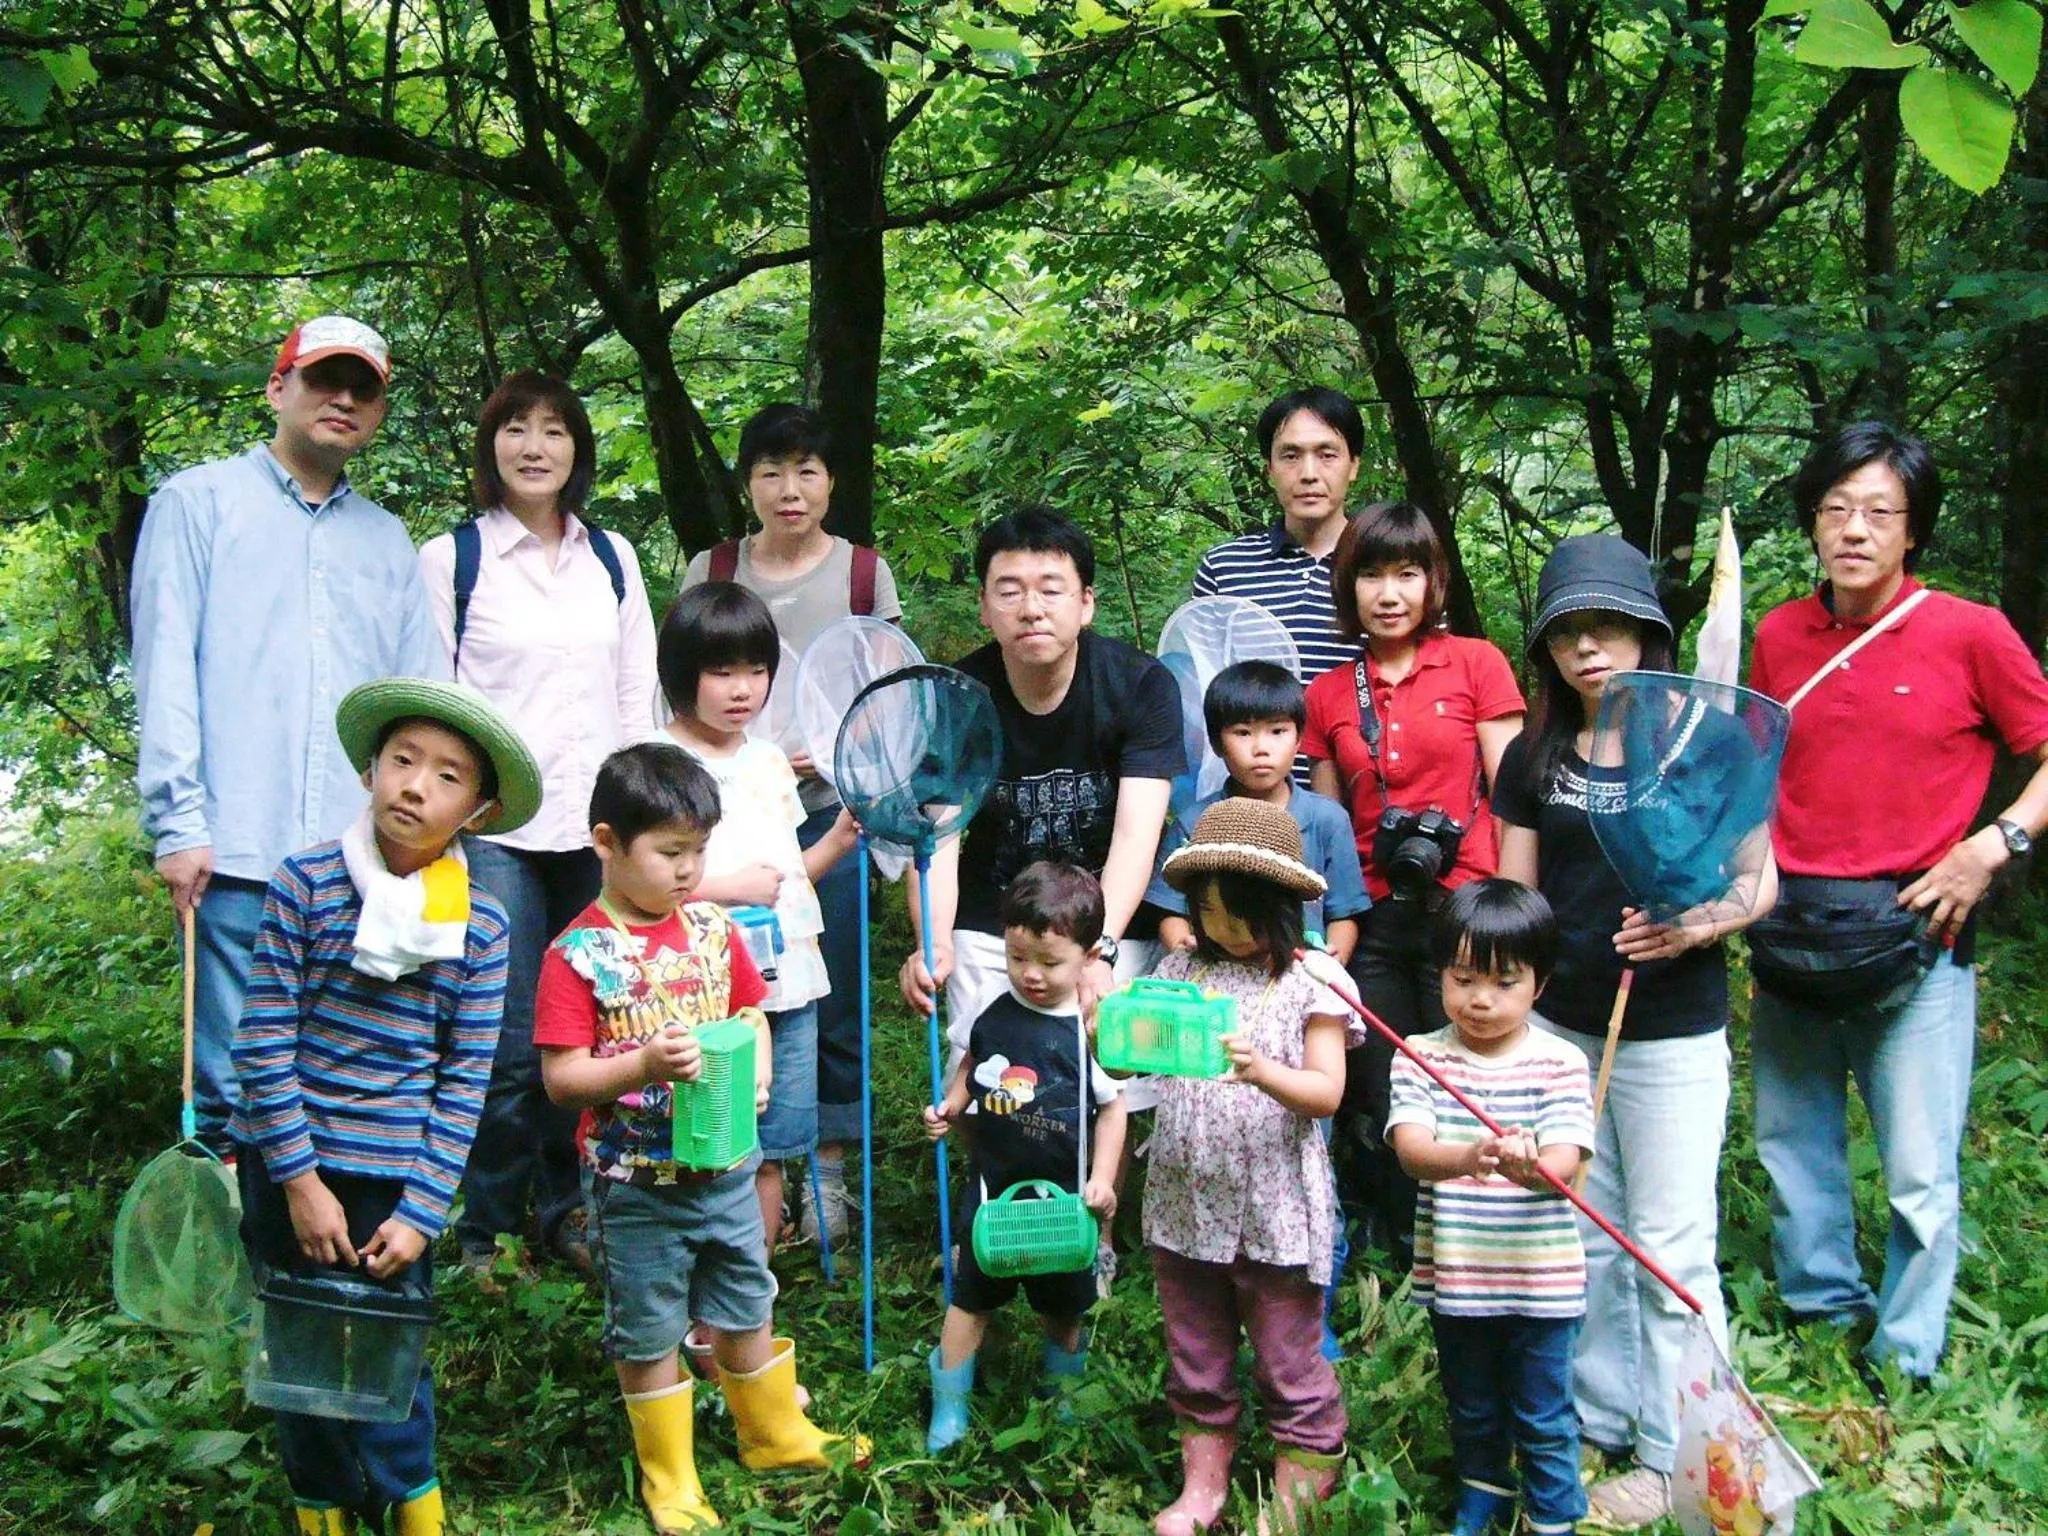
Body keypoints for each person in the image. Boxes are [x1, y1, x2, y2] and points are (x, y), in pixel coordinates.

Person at [1747, 422, 2048, 1389]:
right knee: (1793, 1145)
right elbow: (1751, 773)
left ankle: (1907, 1358)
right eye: (1835, 509)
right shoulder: (1781, 634)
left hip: (1919, 929)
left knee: (1919, 1171)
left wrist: (1993, 847)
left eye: (1880, 511)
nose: (1855, 530)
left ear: (1913, 530)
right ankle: (1821, 1312)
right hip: (1792, 925)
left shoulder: (1971, 633)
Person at [1494, 534, 1778, 1528]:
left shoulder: (1705, 746)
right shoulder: (1532, 758)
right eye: (1567, 634)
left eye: (1606, 628)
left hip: (1671, 1030)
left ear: (1647, 638)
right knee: (1587, 1237)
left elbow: (1756, 882)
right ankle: (1607, 1417)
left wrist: (1690, 923)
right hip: (1564, 1028)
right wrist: (1508, 1026)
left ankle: (1682, 1453)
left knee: (1667, 1245)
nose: (1587, 651)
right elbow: (1513, 899)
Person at [231, 677, 540, 1536]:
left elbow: (466, 1077)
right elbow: (262, 1044)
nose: (415, 786)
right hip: (290, 1166)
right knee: (300, 1350)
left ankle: (412, 1505)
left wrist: (423, 1210)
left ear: (475, 812)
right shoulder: (305, 883)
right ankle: (322, 1506)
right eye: (402, 761)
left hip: (395, 1179)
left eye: (447, 777)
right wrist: (298, 1180)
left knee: (390, 1355)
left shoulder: (480, 925)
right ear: (370, 770)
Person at [132, 316, 445, 1152]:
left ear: (378, 413)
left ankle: (312, 1268)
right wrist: (178, 822)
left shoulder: (385, 541)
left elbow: (422, 704)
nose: (343, 399)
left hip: (356, 859)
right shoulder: (195, 505)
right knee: (235, 1078)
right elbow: (164, 671)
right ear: (279, 388)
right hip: (234, 847)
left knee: (335, 1075)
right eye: (323, 380)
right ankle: (229, 1266)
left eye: (364, 389)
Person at [536, 744, 857, 1535]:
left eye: (699, 852)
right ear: (607, 843)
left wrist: (754, 1067)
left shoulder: (714, 931)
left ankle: (770, 1430)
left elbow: (751, 1010)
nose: (688, 871)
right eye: (669, 852)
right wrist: (640, 1063)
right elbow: (561, 1079)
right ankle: (669, 1472)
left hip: (723, 1167)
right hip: (633, 1183)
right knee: (646, 1323)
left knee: (746, 1297)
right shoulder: (577, 955)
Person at [418, 370, 660, 1277]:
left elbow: (636, 692)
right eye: (515, 429)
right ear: (491, 448)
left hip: (594, 835)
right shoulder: (453, 560)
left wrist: (640, 818)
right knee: (509, 1040)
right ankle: (486, 1230)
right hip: (498, 832)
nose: (534, 446)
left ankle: (573, 1211)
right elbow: (430, 696)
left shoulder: (612, 558)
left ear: (577, 450)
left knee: (591, 1032)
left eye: (554, 431)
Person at [680, 404, 904, 1247]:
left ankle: (827, 1170)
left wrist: (835, 749)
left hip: (829, 804)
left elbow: (885, 685)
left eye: (807, 470)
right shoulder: (716, 565)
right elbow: (687, 671)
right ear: (748, 483)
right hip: (723, 813)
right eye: (771, 471)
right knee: (720, 987)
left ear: (831, 481)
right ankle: (729, 1161)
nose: (790, 489)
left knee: (828, 984)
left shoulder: (861, 573)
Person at [1302, 501, 1524, 1268]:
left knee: (1471, 1073)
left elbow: (1515, 790)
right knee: (1385, 1079)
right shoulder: (1329, 692)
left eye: (1408, 573)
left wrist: (1518, 913)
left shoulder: (1476, 664)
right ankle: (1396, 1240)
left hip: (1467, 907)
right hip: (1372, 915)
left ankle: (1479, 1240)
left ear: (1435, 583)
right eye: (1370, 574)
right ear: (1349, 585)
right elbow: (1327, 823)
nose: (1389, 593)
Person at [1143, 798, 1362, 1536]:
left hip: (1273, 1211)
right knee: (1196, 1353)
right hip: (1183, 1197)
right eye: (1208, 910)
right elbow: (1131, 1055)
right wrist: (1107, 1028)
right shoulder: (1179, 968)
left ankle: (1298, 1490)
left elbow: (1327, 1092)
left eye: (1237, 913)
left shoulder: (1314, 981)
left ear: (1277, 906)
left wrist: (1265, 1071)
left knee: (1286, 1357)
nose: (1223, 928)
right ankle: (1202, 1486)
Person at [899, 504, 1184, 1042]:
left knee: (1113, 1082)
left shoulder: (1141, 685)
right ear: (984, 607)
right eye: (1009, 591)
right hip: (996, 927)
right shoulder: (954, 697)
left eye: (1051, 589)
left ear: (1086, 603)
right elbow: (938, 834)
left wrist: (1101, 950)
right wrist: (932, 940)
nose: (1031, 609)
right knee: (996, 1085)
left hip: (1112, 921)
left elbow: (1135, 836)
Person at [651, 583, 857, 1257]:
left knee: (773, 1144)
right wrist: (726, 886)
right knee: (711, 1141)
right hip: (702, 991)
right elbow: (639, 884)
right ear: (682, 673)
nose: (743, 689)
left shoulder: (769, 760)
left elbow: (789, 876)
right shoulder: (658, 764)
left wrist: (839, 839)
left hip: (788, 980)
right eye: (722, 671)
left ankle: (752, 1284)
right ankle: (698, 1276)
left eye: (756, 670)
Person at [1388, 879, 1593, 1536]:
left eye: (1504, 982)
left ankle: (1555, 1514)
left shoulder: (1561, 1062)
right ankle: (1484, 1492)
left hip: (1543, 1285)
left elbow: (1565, 1160)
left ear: (1539, 984)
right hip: (1461, 1279)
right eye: (1463, 977)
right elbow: (1414, 1152)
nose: (1479, 999)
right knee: (1471, 1403)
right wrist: (1473, 1154)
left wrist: (1536, 1169)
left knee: (1542, 1410)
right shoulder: (1421, 1055)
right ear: (1441, 973)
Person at [920, 862, 1128, 1452]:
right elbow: (972, 1062)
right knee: (969, 1300)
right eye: (1017, 958)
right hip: (993, 1192)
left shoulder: (1088, 1029)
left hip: (1064, 1198)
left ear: (1090, 958)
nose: (1030, 975)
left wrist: (1104, 1181)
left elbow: (1114, 1108)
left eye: (1050, 962)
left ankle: (1061, 1399)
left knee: (1063, 1307)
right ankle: (951, 1406)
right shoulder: (991, 1005)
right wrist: (951, 1105)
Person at [1144, 660, 1369, 963]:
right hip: (1217, 978)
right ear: (1216, 742)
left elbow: (1344, 912)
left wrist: (1330, 965)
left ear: (1299, 738)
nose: (1261, 748)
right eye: (1243, 732)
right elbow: (1171, 909)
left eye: (1277, 731)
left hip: (1299, 977)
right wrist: (1185, 950)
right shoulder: (1193, 823)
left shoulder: (1327, 819)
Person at [1192, 389, 1367, 775]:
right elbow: (1200, 696)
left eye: (1327, 454)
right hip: (1249, 807)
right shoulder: (1225, 569)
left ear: (1353, 464)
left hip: (1368, 807)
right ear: (1269, 468)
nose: (1308, 473)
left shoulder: (1387, 572)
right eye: (1290, 455)